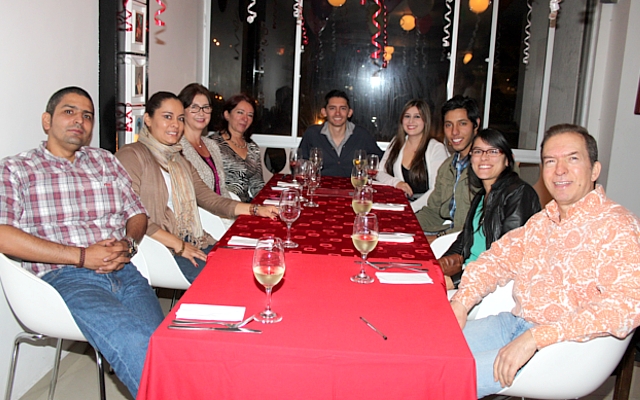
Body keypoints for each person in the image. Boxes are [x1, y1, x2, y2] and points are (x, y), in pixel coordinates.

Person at [450, 124, 640, 398]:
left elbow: (625, 306)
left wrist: (537, 338)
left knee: (445, 377)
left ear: (594, 170)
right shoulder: (542, 222)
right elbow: (496, 259)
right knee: (429, 350)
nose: (559, 170)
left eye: (572, 159)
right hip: (513, 324)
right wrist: (462, 302)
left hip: (562, 350)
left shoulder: (618, 226)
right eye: (551, 161)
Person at [0, 87, 164, 398]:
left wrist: (129, 244)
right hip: (65, 279)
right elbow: (2, 234)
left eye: (87, 116)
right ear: (47, 121)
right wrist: (82, 256)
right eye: (69, 111)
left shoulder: (104, 161)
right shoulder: (17, 169)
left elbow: (137, 213)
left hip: (124, 271)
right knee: (137, 341)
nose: (80, 120)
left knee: (164, 343)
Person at [116, 92, 278, 283]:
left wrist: (256, 209)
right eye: (167, 117)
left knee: (246, 265)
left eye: (180, 118)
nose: (175, 125)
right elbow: (131, 215)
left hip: (192, 239)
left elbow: (210, 199)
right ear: (148, 119)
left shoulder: (178, 159)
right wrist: (179, 246)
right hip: (160, 249)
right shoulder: (131, 155)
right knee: (225, 280)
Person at [437, 129, 541, 290]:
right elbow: (464, 240)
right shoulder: (480, 196)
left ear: (507, 160)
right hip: (468, 276)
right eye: (478, 151)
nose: (484, 157)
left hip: (494, 287)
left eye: (493, 151)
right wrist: (438, 267)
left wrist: (454, 281)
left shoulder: (519, 194)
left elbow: (507, 257)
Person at [415, 95, 481, 240]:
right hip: (446, 232)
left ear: (476, 125)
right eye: (448, 125)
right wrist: (406, 223)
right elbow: (433, 212)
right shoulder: (447, 167)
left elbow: (479, 225)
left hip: (469, 241)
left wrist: (438, 239)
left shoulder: (486, 167)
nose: (454, 132)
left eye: (462, 124)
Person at [376, 99, 448, 212]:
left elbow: (436, 190)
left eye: (417, 116)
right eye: (407, 116)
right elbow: (379, 173)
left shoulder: (436, 148)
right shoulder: (396, 142)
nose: (411, 121)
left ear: (426, 120)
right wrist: (397, 183)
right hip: (398, 205)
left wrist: (410, 208)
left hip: (426, 210)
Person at [298, 90, 383, 177]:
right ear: (324, 112)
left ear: (349, 113)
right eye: (332, 108)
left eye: (343, 108)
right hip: (319, 185)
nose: (337, 113)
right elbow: (300, 164)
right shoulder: (312, 134)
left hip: (354, 185)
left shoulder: (362, 135)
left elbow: (381, 161)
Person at [209, 94, 265, 202]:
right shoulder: (212, 144)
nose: (245, 118)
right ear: (227, 115)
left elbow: (257, 184)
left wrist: (265, 203)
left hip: (247, 205)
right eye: (240, 112)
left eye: (250, 115)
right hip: (223, 206)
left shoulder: (253, 147)